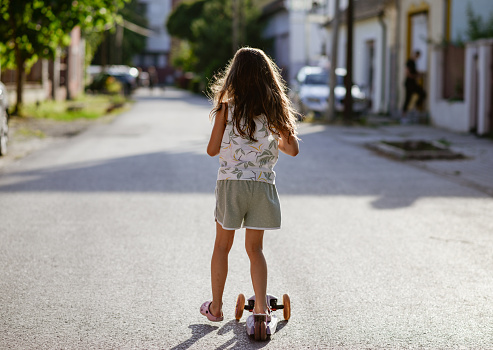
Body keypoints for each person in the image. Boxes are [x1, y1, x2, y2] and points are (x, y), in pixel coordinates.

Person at [201, 48, 300, 326]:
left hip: (231, 185)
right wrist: (271, 140)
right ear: (268, 78)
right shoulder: (272, 111)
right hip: (261, 186)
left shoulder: (226, 107)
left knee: (222, 246)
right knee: (255, 250)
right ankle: (260, 310)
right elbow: (291, 149)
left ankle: (216, 308)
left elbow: (211, 150)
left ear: (234, 76)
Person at [402, 50, 426, 116]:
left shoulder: (414, 63)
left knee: (422, 94)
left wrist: (420, 74)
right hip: (409, 83)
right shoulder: (409, 62)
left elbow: (414, 72)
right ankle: (404, 114)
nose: (417, 58)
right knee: (408, 98)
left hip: (413, 83)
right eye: (416, 56)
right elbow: (407, 73)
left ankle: (415, 107)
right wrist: (416, 76)